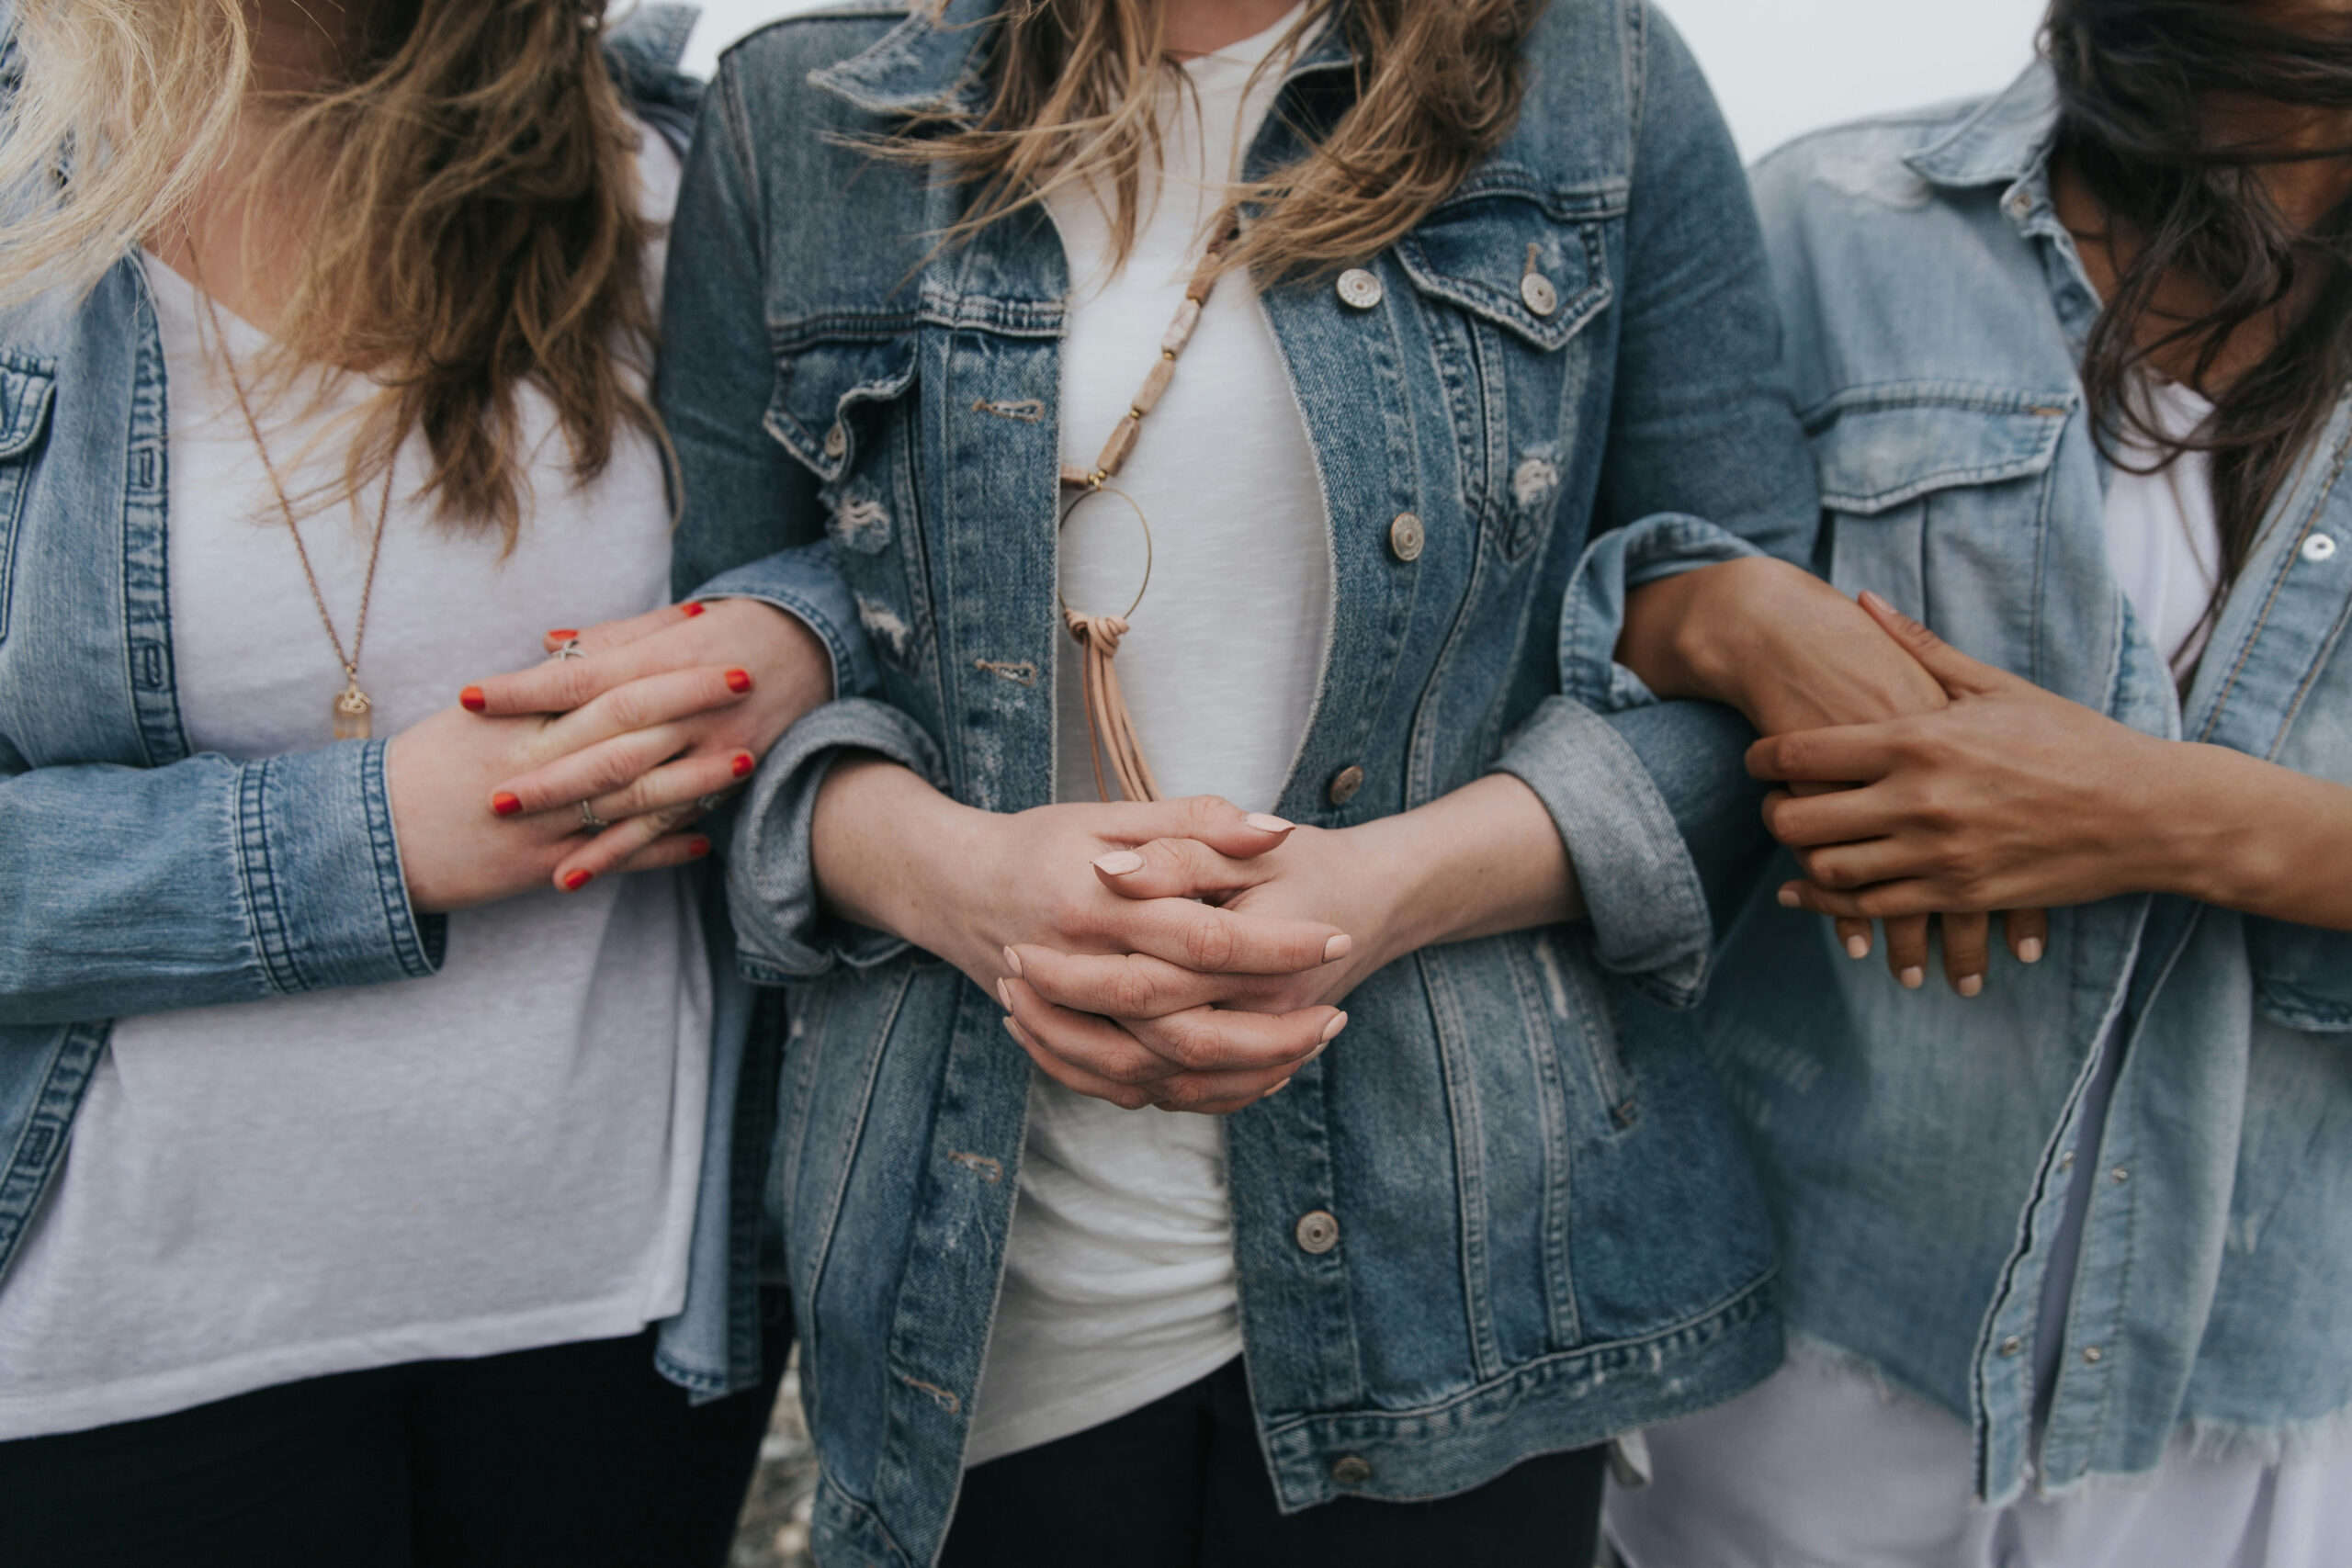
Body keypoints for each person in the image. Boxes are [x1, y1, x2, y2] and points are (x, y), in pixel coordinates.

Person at [469, 0, 2027, 1562]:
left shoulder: (1595, 76)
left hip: (1469, 1282)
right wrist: (959, 882)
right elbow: (733, 687)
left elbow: (1726, 687)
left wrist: (1386, 891)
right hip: (981, 1294)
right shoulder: (803, 111)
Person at [0, 4, 863, 1562]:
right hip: (123, 1351)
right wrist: (371, 840)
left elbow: (930, 542)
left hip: (622, 1313)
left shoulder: (686, 161)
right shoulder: (28, 203)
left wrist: (797, 631)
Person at [1603, 1, 2352, 1563]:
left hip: (2252, 1388)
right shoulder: (1836, 224)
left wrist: (2146, 813)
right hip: (1799, 1335)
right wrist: (1730, 612)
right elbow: (1571, 631)